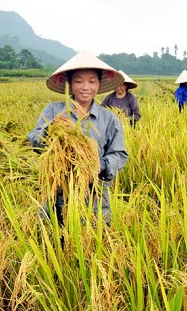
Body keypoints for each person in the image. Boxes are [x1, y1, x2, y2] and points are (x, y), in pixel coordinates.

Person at [27, 50, 129, 225]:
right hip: (57, 190)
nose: (85, 87)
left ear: (98, 84)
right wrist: (50, 129)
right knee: (54, 240)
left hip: (95, 194)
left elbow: (119, 155)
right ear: (70, 84)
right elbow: (34, 141)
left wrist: (96, 165)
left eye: (92, 81)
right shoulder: (53, 111)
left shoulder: (109, 119)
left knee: (95, 239)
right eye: (79, 81)